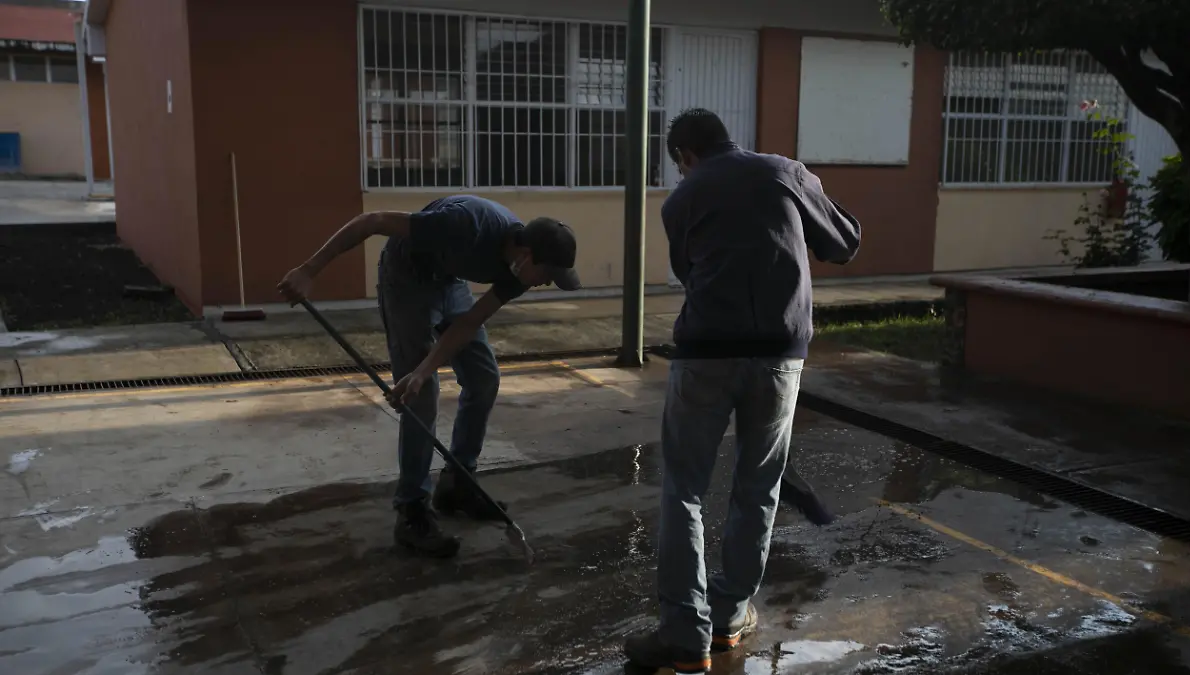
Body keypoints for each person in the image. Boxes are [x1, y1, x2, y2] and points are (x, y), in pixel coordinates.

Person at [623, 109, 861, 673]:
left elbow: (691, 272)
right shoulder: (784, 173)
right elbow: (844, 242)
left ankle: (685, 635)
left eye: (678, 164)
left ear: (684, 155)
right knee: (758, 488)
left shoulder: (680, 202)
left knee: (684, 488)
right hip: (779, 356)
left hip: (706, 354)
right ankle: (729, 617)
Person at [277, 196, 581, 558]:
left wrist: (426, 367)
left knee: (483, 376)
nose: (545, 284)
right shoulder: (461, 225)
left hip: (449, 282)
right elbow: (371, 220)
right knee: (419, 396)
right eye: (547, 276)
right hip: (407, 275)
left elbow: (468, 322)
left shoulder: (516, 273)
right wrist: (309, 270)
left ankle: (457, 482)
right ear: (527, 256)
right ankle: (412, 508)